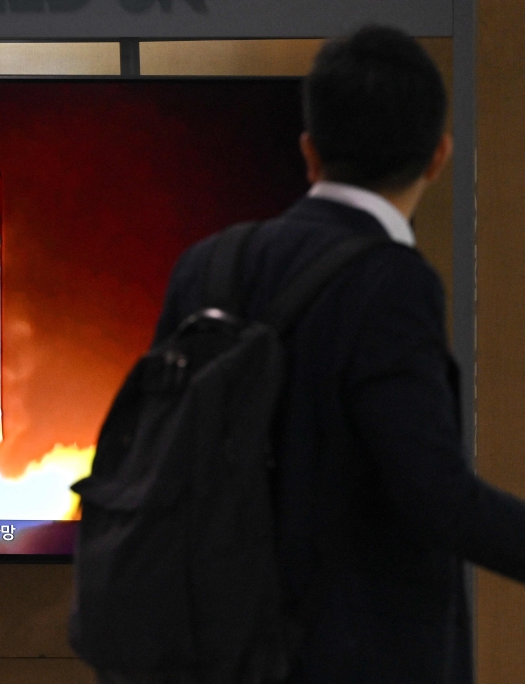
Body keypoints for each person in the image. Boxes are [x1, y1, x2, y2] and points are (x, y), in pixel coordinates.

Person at [149, 25, 525, 684]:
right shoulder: (393, 284)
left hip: (205, 651)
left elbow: (151, 455)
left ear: (310, 151)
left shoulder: (205, 266)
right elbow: (431, 493)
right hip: (351, 658)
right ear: (438, 156)